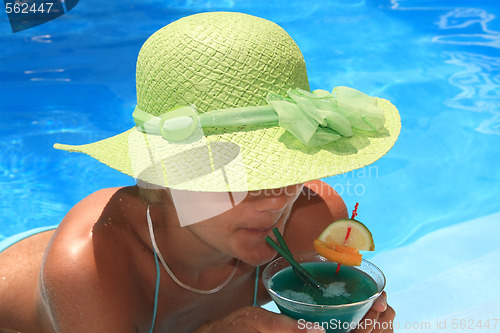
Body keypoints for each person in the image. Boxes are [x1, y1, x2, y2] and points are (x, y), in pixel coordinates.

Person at [0, 12, 399, 333]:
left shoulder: (312, 221)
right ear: (165, 174)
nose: (280, 198)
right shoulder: (91, 265)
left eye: (286, 167)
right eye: (241, 174)